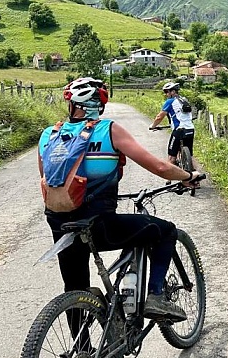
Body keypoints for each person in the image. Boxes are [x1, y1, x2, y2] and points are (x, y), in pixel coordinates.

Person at [38, 77, 200, 321]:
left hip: (61, 226)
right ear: (98, 105)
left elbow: (48, 180)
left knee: (74, 289)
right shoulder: (108, 130)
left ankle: (82, 349)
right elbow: (160, 167)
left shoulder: (49, 135)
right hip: (100, 224)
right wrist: (188, 176)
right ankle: (156, 296)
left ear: (72, 104)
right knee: (166, 231)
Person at [149, 81, 195, 166]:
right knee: (189, 154)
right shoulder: (184, 100)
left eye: (167, 91)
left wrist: (153, 126)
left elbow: (160, 117)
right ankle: (190, 171)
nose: (166, 94)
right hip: (190, 129)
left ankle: (169, 178)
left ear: (173, 92)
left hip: (179, 130)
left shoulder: (170, 101)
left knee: (171, 157)